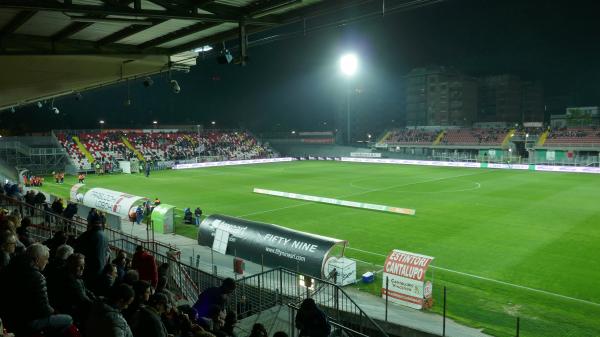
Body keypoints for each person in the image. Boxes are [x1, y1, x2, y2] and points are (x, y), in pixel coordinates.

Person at [0, 243, 73, 335]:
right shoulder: (37, 277)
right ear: (38, 259)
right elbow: (44, 309)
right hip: (26, 322)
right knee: (68, 319)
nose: (47, 262)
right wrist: (55, 312)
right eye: (46, 258)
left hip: (7, 319)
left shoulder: (8, 268)